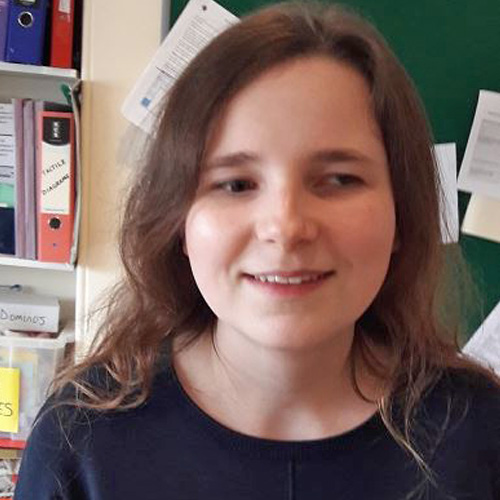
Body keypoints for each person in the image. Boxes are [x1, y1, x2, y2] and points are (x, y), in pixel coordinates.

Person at [14, 2, 500, 499]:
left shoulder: (479, 435)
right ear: (178, 221)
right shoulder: (80, 444)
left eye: (338, 179)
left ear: (402, 212)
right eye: (236, 183)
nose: (286, 227)